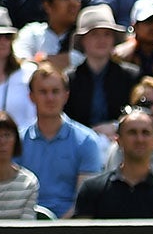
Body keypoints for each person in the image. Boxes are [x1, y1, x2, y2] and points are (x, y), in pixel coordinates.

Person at [20, 62, 103, 218]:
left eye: (55, 91)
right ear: (31, 97)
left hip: (71, 231)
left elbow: (84, 201)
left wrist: (57, 230)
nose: (50, 98)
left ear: (66, 95)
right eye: (43, 92)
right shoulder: (18, 141)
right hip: (25, 226)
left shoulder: (87, 141)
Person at [71, 106, 153, 218]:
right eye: (132, 132)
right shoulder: (91, 190)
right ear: (118, 140)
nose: (139, 139)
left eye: (145, 133)